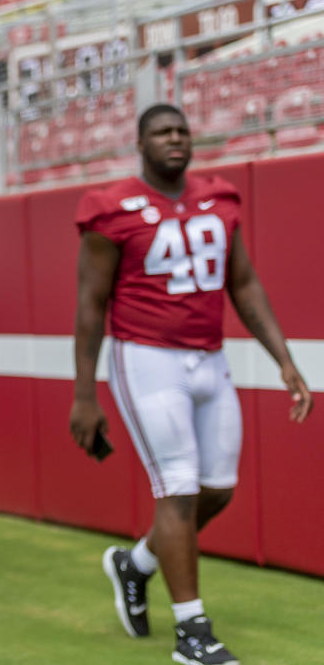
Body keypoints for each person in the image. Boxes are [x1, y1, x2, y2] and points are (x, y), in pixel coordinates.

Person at [70, 104, 313, 665]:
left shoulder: (220, 200)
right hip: (147, 359)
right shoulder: (112, 209)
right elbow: (90, 304)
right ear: (141, 142)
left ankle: (137, 565)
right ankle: (192, 633)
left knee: (218, 490)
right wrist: (85, 393)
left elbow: (245, 285)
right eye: (162, 132)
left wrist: (284, 359)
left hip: (210, 358)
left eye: (182, 131)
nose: (174, 139)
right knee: (176, 490)